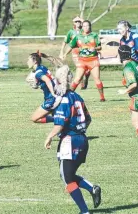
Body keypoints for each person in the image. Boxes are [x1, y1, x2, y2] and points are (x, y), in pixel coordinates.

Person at [44, 65, 102, 214]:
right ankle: (92, 188)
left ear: (58, 81)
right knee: (68, 174)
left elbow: (59, 124)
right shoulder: (77, 97)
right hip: (82, 139)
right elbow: (88, 119)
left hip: (70, 141)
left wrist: (49, 137)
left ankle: (84, 211)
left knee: (67, 177)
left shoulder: (64, 100)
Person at [64, 20, 105, 101]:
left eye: (88, 26)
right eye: (84, 26)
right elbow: (71, 46)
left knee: (97, 78)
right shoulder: (78, 36)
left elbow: (100, 47)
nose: (86, 27)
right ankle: (68, 97)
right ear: (82, 27)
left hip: (93, 60)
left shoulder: (94, 35)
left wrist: (95, 48)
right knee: (77, 79)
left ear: (90, 26)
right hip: (82, 60)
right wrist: (65, 54)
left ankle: (102, 97)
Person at [26, 51, 61, 123]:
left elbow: (47, 80)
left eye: (28, 60)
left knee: (34, 118)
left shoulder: (38, 73)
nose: (27, 62)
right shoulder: (42, 67)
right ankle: (62, 120)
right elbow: (55, 62)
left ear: (35, 61)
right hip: (56, 95)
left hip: (52, 98)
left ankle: (61, 119)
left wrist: (52, 93)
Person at [60, 16, 90, 90]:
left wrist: (81, 19)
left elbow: (88, 25)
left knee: (87, 70)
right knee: (80, 67)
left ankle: (85, 80)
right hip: (75, 51)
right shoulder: (71, 32)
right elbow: (65, 42)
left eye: (79, 21)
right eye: (76, 22)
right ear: (73, 23)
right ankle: (82, 84)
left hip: (84, 51)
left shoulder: (84, 30)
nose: (78, 23)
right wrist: (62, 52)